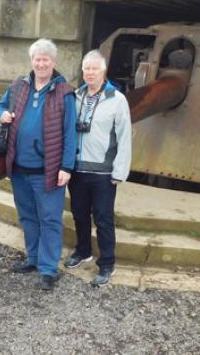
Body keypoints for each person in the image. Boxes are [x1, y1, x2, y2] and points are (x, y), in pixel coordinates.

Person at [0, 38, 76, 291]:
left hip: (48, 170)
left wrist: (66, 167)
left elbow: (70, 133)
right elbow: (2, 105)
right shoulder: (20, 85)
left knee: (50, 219)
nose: (41, 63)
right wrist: (3, 114)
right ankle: (32, 258)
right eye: (37, 59)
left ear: (53, 62)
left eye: (45, 59)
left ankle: (48, 269)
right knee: (28, 217)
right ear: (32, 61)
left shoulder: (65, 92)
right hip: (20, 169)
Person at [64, 50, 132, 287]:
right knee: (79, 213)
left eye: (94, 68)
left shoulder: (117, 99)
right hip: (78, 169)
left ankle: (107, 263)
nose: (89, 73)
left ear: (103, 71)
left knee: (103, 218)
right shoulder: (76, 96)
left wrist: (119, 171)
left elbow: (125, 137)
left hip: (103, 173)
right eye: (86, 68)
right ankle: (83, 250)